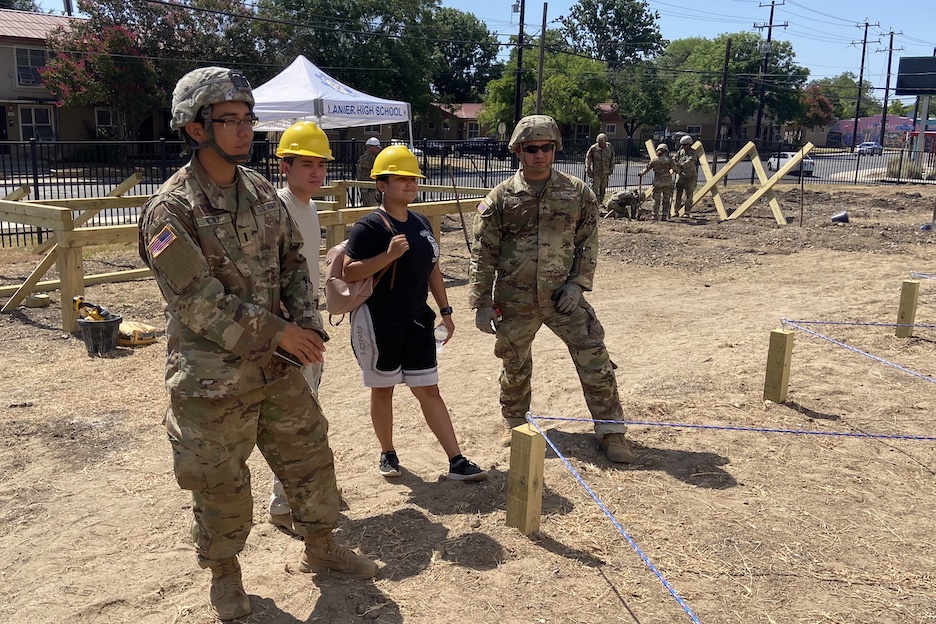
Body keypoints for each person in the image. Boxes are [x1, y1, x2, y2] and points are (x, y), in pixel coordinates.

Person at [138, 67, 376, 622]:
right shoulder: (170, 210)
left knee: (310, 458)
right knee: (219, 481)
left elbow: (296, 262)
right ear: (196, 129)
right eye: (231, 121)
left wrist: (309, 324)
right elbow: (196, 299)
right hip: (212, 378)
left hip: (279, 366)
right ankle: (225, 575)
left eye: (249, 119)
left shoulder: (262, 193)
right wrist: (279, 332)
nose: (246, 131)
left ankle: (321, 548)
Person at [467, 114, 637, 464]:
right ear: (518, 151)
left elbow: (588, 242)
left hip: (564, 298)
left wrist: (578, 284)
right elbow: (483, 253)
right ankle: (515, 421)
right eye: (531, 148)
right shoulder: (500, 199)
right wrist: (482, 302)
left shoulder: (577, 193)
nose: (539, 154)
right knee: (514, 363)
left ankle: (611, 430)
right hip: (515, 298)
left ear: (555, 148)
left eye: (546, 147)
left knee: (594, 357)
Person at [342, 145, 488, 482]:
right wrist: (388, 256)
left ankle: (456, 460)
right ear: (382, 184)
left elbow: (432, 269)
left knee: (429, 389)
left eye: (413, 178)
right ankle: (388, 453)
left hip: (418, 319)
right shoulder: (370, 227)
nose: (410, 183)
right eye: (401, 178)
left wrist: (446, 311)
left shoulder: (421, 222)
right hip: (380, 321)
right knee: (383, 390)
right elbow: (350, 272)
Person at [266, 120, 332, 535]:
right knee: (292, 419)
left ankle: (298, 495)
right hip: (287, 329)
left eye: (320, 164)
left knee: (306, 408)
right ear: (284, 168)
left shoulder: (309, 208)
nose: (315, 172)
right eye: (304, 163)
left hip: (308, 321)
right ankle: (282, 502)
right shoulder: (277, 207)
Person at [639, 143, 676, 221]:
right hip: (667, 182)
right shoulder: (669, 160)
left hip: (657, 182)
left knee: (656, 199)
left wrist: (641, 173)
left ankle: (655, 215)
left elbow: (647, 168)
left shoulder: (655, 160)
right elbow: (675, 169)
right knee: (666, 199)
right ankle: (664, 215)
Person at [673, 135, 700, 218]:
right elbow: (674, 159)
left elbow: (690, 161)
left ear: (689, 144)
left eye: (685, 145)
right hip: (681, 176)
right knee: (678, 193)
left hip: (690, 177)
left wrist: (680, 166)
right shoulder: (680, 152)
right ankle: (676, 211)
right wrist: (673, 165)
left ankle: (687, 212)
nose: (683, 146)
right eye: (682, 145)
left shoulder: (693, 152)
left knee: (689, 195)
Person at [585, 133, 614, 206]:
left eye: (603, 143)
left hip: (606, 172)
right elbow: (588, 159)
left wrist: (611, 168)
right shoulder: (593, 148)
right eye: (600, 143)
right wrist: (588, 169)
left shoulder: (609, 147)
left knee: (603, 188)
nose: (602, 144)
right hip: (596, 172)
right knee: (594, 188)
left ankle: (600, 202)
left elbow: (613, 158)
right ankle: (593, 203)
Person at [357, 137, 381, 207]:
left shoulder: (368, 157)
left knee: (370, 205)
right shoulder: (369, 157)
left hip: (368, 187)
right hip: (368, 187)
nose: (378, 150)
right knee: (370, 205)